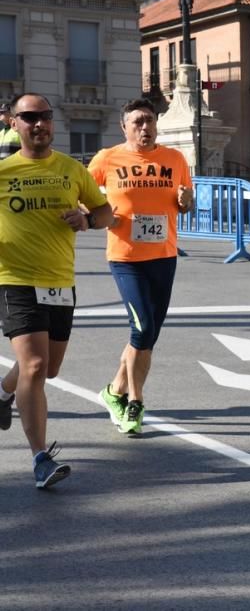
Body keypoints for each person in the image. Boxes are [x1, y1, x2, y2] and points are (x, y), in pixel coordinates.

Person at [0, 93, 113, 488]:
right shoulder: (3, 171)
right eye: (28, 117)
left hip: (60, 282)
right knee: (33, 365)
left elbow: (105, 212)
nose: (38, 124)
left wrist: (87, 220)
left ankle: (3, 391)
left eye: (44, 116)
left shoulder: (71, 169)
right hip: (14, 280)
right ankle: (40, 458)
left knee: (47, 368)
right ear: (14, 123)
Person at [87, 98, 193, 436]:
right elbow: (79, 192)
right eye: (137, 122)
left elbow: (186, 201)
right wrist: (101, 215)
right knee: (142, 327)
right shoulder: (107, 158)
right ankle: (135, 401)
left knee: (147, 335)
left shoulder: (174, 159)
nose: (144, 128)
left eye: (149, 121)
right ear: (124, 126)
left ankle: (113, 390)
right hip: (126, 257)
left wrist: (186, 201)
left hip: (163, 255)